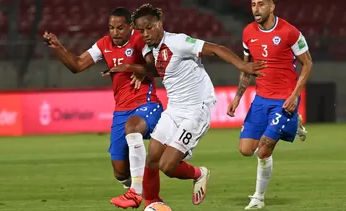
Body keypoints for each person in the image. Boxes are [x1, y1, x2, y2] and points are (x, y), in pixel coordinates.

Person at [110, 3, 265, 208]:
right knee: (152, 158)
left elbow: (215, 49)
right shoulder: (151, 49)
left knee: (167, 166)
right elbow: (160, 69)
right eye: (141, 31)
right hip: (174, 109)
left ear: (159, 24)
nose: (145, 34)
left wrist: (243, 65)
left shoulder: (178, 42)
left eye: (149, 27)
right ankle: (153, 203)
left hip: (195, 110)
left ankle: (199, 173)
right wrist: (137, 70)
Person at [43, 7, 163, 208]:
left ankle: (140, 192)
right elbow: (78, 65)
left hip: (146, 103)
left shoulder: (139, 40)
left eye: (120, 28)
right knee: (119, 172)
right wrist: (58, 48)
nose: (115, 32)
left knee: (133, 129)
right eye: (111, 28)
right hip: (121, 110)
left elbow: (155, 68)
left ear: (131, 27)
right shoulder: (104, 44)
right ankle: (137, 184)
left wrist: (132, 68)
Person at [226, 0, 312, 209]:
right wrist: (238, 97)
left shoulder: (290, 32)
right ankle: (294, 124)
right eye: (253, 4)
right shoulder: (248, 32)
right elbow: (247, 67)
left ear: (272, 7)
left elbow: (308, 63)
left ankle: (259, 198)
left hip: (284, 101)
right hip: (261, 99)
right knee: (246, 150)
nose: (256, 9)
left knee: (264, 150)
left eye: (261, 4)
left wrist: (294, 96)